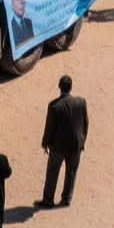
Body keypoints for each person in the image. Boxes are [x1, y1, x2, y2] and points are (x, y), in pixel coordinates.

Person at [36, 75, 88, 209]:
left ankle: (48, 200)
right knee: (71, 172)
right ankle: (66, 199)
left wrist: (45, 143)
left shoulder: (54, 106)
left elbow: (49, 127)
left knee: (52, 173)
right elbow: (85, 123)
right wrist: (82, 141)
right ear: (71, 87)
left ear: (59, 87)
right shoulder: (81, 102)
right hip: (76, 145)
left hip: (58, 147)